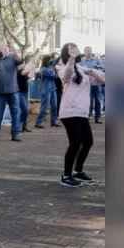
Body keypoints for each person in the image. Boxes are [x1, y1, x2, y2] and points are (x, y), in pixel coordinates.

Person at [58, 43, 105, 187]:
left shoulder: (82, 69)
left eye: (75, 49)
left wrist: (91, 70)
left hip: (82, 113)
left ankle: (77, 171)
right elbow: (66, 77)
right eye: (71, 49)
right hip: (69, 111)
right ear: (66, 53)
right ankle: (66, 176)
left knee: (88, 142)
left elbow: (103, 78)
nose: (74, 51)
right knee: (75, 142)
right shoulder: (63, 68)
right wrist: (71, 61)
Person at [0, 44, 23, 142]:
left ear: (5, 50)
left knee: (16, 113)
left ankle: (15, 134)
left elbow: (21, 61)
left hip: (13, 91)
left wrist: (16, 52)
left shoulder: (12, 58)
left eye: (1, 50)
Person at [80, 46, 105, 124]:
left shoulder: (96, 59)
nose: (89, 52)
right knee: (88, 101)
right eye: (87, 51)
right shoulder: (81, 61)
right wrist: (83, 68)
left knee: (98, 101)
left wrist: (99, 66)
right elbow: (78, 69)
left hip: (96, 83)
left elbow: (104, 66)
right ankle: (88, 116)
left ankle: (97, 118)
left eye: (90, 51)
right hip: (87, 84)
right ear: (84, 52)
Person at [34, 55, 60, 128]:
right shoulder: (44, 70)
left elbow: (56, 61)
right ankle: (38, 123)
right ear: (46, 61)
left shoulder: (49, 66)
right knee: (45, 107)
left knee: (54, 106)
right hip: (46, 89)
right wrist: (59, 71)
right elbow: (55, 76)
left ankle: (54, 122)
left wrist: (61, 55)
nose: (51, 61)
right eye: (50, 60)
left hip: (52, 88)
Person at [17, 57, 36, 132]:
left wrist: (33, 68)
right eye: (22, 64)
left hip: (25, 93)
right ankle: (18, 125)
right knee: (25, 110)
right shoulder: (19, 72)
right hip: (20, 93)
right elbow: (27, 71)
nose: (24, 65)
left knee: (25, 111)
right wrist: (31, 63)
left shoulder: (23, 72)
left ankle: (24, 126)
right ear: (19, 65)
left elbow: (31, 76)